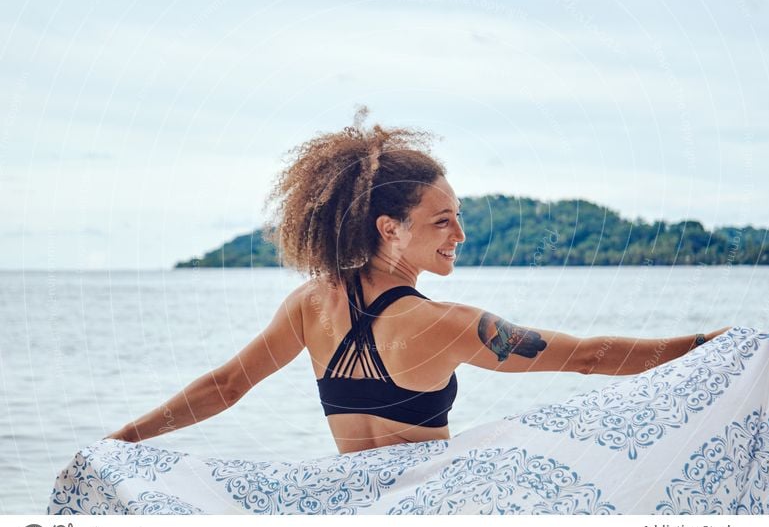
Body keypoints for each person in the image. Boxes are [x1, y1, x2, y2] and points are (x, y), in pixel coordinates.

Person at [105, 106, 730, 455]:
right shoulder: (448, 326)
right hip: (429, 515)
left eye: (458, 217)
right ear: (390, 228)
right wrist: (707, 347)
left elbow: (225, 386)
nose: (459, 234)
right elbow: (592, 358)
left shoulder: (309, 305)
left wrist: (122, 440)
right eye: (442, 220)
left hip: (348, 512)